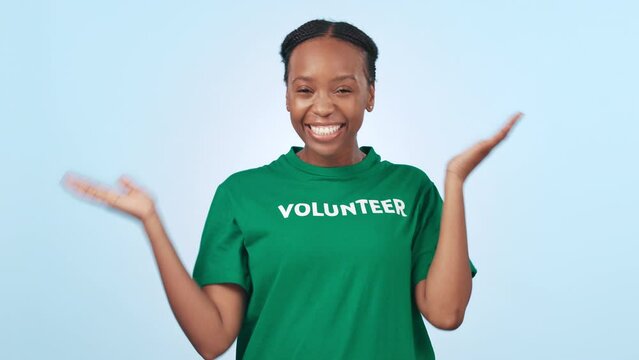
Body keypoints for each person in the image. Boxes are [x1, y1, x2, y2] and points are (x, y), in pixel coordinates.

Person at [62, 19, 522, 360]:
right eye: (305, 90)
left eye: (343, 89)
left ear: (371, 94)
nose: (322, 107)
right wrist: (152, 223)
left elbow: (445, 314)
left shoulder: (410, 189)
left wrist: (456, 183)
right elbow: (212, 339)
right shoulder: (243, 194)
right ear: (287, 96)